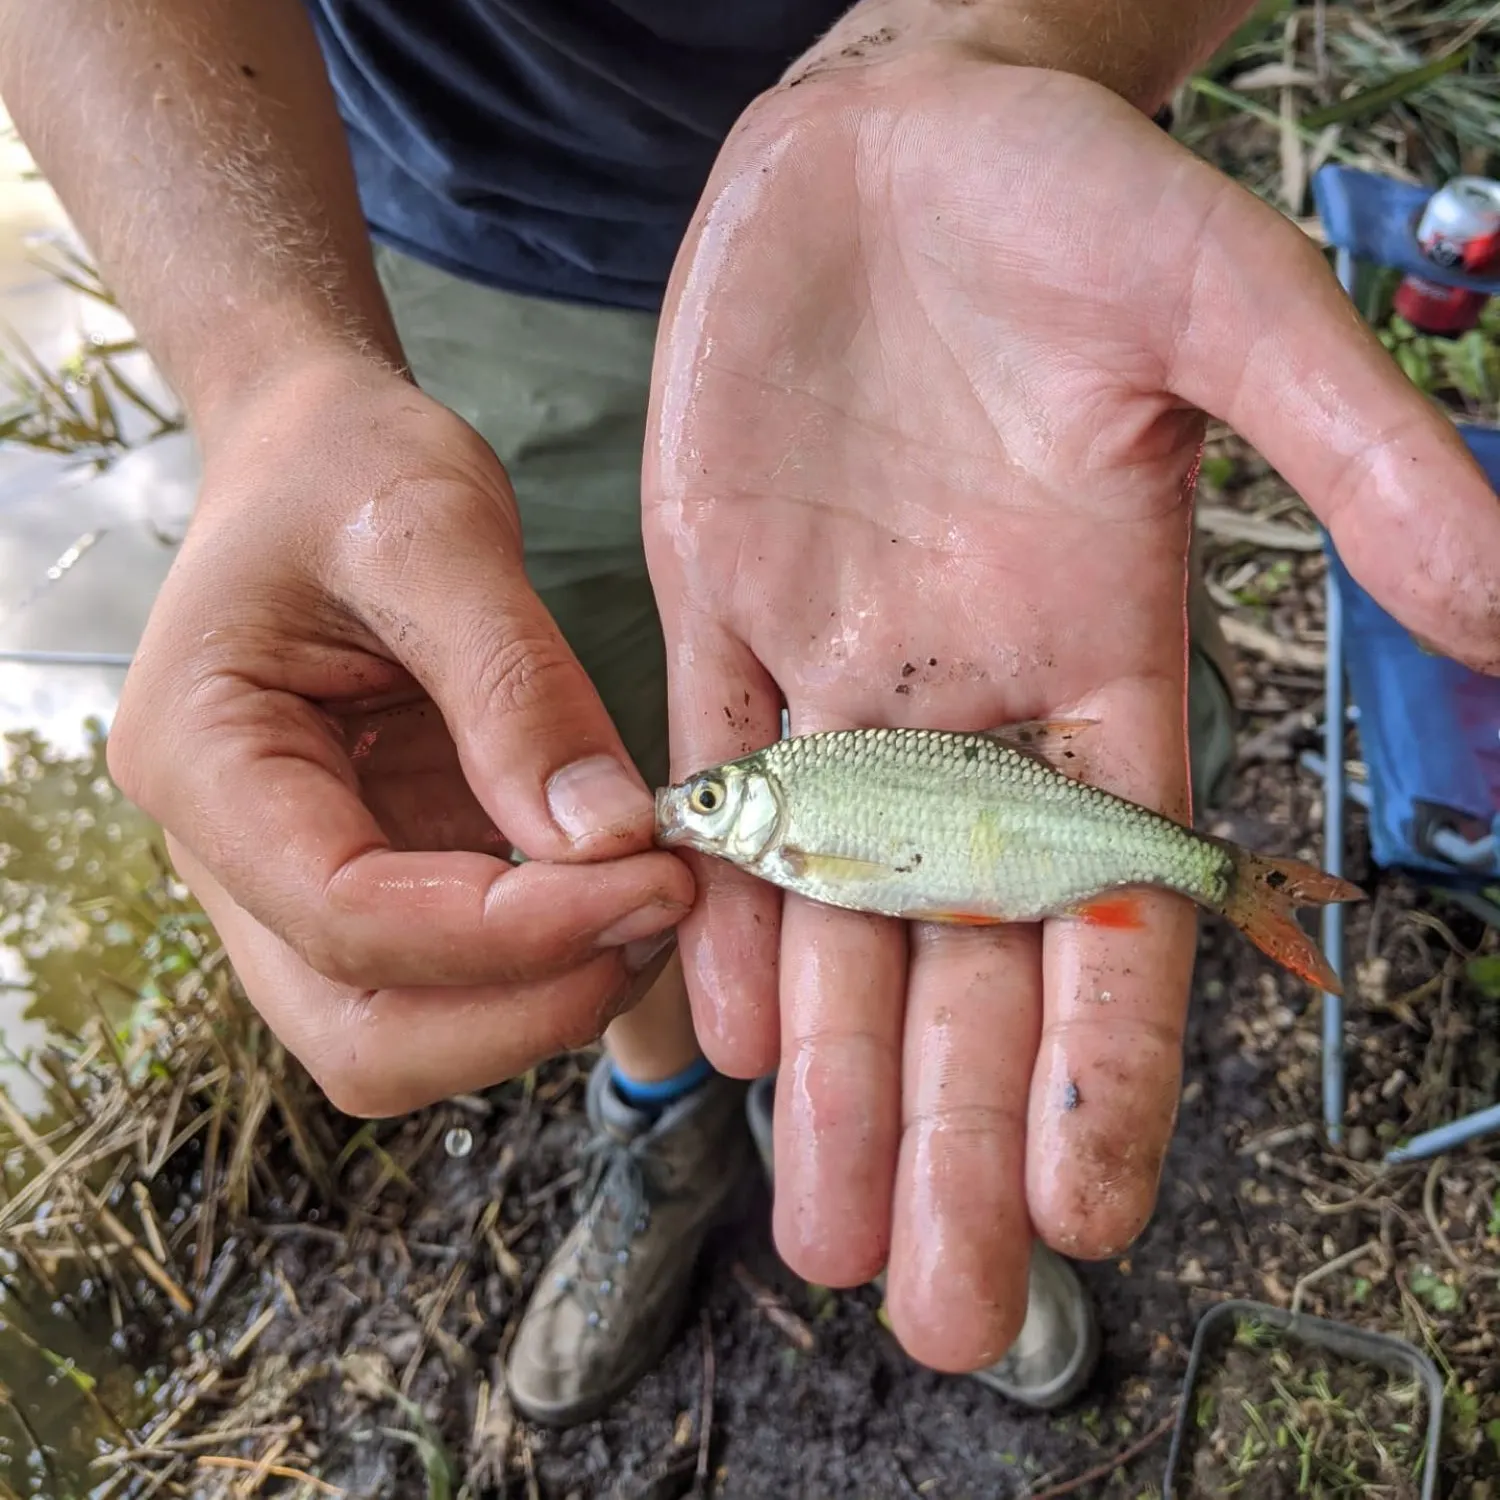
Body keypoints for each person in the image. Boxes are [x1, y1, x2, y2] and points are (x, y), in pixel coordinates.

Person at [5, 0, 1499, 1433]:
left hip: (996, 279)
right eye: (728, 797)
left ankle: (832, 1095)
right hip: (439, 262)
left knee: (1034, 743)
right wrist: (273, 375)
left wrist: (1022, 30)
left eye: (734, 800)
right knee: (567, 806)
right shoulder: (765, 802)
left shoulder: (819, 780)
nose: (711, 800)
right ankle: (667, 1101)